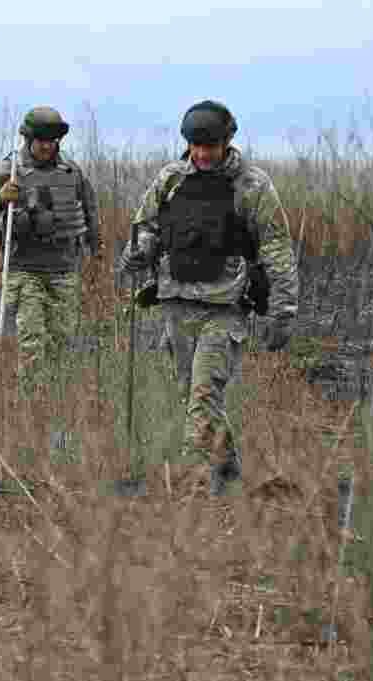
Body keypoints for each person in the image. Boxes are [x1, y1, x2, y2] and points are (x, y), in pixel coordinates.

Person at [117, 100, 299, 497]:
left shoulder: (252, 186)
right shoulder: (171, 180)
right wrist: (138, 250)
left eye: (210, 146)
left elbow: (277, 250)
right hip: (176, 304)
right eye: (195, 146)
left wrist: (282, 313)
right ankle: (229, 467)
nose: (201, 154)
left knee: (203, 395)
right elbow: (146, 226)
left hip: (225, 309)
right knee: (192, 395)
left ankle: (194, 488)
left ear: (227, 141)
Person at [0, 106, 100, 395]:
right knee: (33, 340)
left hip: (64, 268)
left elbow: (90, 209)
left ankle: (55, 397)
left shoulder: (71, 171)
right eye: (41, 140)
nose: (46, 146)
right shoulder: (11, 169)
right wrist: (0, 197)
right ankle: (30, 400)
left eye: (51, 140)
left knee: (61, 339)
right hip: (24, 268)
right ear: (29, 139)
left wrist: (96, 249)